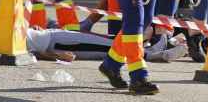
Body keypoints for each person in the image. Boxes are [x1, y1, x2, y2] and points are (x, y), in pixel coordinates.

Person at [26, 27, 187, 63]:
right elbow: (27, 52)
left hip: (55, 39)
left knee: (104, 44)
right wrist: (56, 56)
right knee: (108, 46)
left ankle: (150, 49)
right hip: (56, 43)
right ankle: (151, 54)